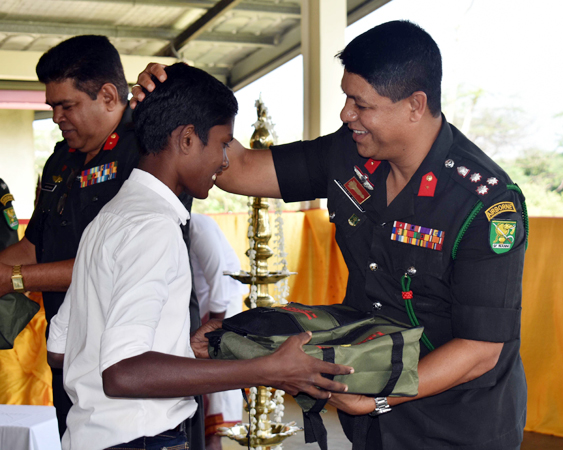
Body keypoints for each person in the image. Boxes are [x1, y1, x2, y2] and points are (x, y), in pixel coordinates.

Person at [134, 20, 527, 450]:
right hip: (371, 424)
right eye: (346, 98)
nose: (346, 114)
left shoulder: (484, 203)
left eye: (361, 104)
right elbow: (241, 168)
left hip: (457, 426)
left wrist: (378, 400)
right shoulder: (350, 153)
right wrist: (175, 102)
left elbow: (481, 349)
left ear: (415, 105)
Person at [46, 63, 352, 450]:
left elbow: (61, 348)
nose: (225, 161)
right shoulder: (153, 227)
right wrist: (267, 369)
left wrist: (177, 346)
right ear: (188, 139)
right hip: (139, 441)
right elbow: (121, 373)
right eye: (224, 144)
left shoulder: (109, 218)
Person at [0, 35, 141, 434]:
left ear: (109, 95)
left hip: (127, 352)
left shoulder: (148, 153)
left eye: (67, 106)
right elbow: (33, 247)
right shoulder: (61, 159)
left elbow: (114, 265)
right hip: (67, 348)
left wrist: (14, 280)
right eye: (52, 107)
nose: (57, 117)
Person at [189, 212, 245, 449]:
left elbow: (219, 285)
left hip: (219, 316)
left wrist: (211, 337)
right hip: (197, 313)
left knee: (216, 398)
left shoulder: (198, 227)